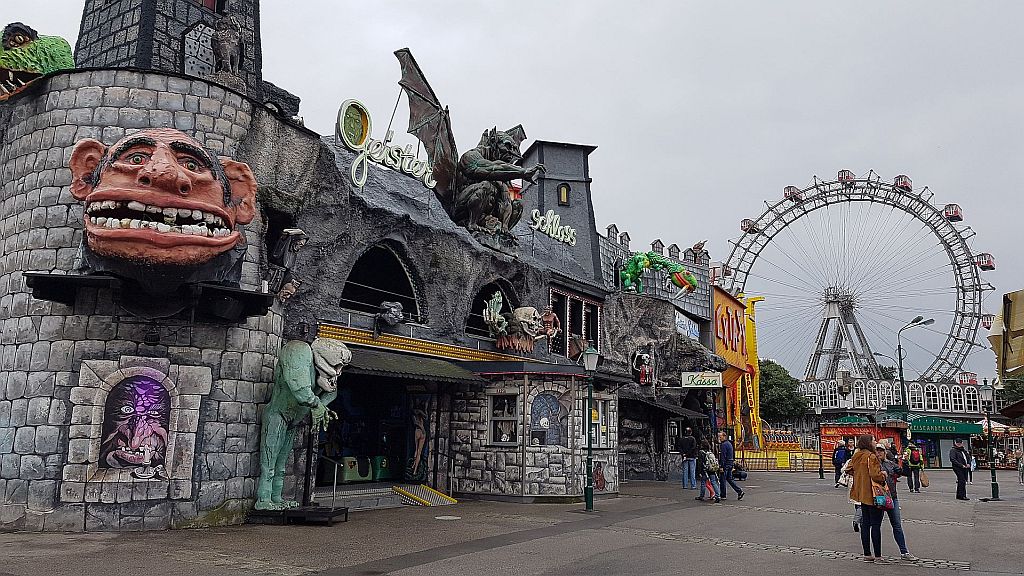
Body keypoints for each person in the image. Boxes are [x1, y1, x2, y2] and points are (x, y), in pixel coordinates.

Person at [848, 434, 887, 562]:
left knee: (865, 524)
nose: (875, 442)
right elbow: (875, 475)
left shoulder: (857, 455)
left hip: (861, 494)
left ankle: (867, 554)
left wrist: (860, 475)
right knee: (875, 524)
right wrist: (883, 475)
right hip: (873, 494)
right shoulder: (871, 456)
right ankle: (878, 555)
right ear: (868, 443)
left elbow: (848, 469)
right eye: (873, 440)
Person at [877, 445, 918, 561]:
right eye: (877, 451)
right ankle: (877, 554)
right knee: (876, 525)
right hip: (879, 497)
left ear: (885, 452)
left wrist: (904, 462)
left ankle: (904, 551)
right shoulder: (873, 464)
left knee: (897, 525)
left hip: (892, 496)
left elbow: (905, 473)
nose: (879, 453)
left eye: (881, 451)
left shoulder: (890, 463)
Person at [717, 431, 745, 500]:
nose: (719, 438)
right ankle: (739, 491)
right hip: (730, 463)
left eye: (720, 436)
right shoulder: (729, 444)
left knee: (722, 480)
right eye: (719, 436)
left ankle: (723, 495)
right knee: (729, 479)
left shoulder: (723, 445)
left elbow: (723, 456)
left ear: (724, 436)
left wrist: (721, 466)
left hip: (725, 464)